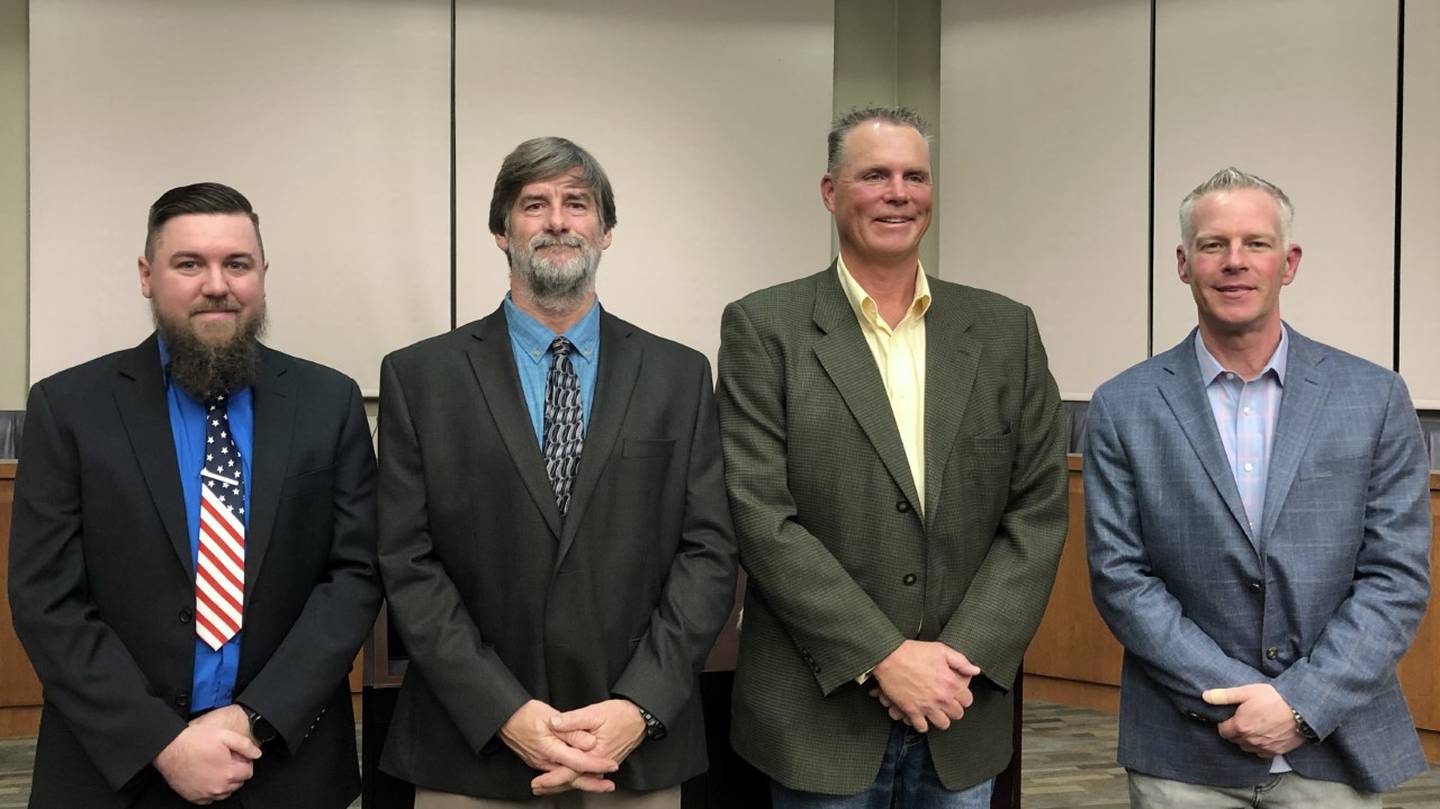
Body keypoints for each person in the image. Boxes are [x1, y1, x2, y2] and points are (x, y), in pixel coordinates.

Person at [717, 106, 1068, 807]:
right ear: (829, 192)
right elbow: (761, 516)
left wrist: (955, 661)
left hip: (959, 709)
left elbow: (1037, 510)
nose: (898, 193)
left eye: (915, 176)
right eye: (874, 175)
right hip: (819, 719)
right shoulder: (764, 328)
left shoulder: (1006, 330)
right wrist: (883, 656)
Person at [376, 136, 738, 808]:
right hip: (472, 749)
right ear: (500, 231)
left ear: (606, 230)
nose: (557, 221)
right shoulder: (420, 377)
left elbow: (709, 552)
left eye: (578, 203)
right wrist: (504, 711)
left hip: (633, 750)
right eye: (533, 204)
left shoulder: (679, 376)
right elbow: (407, 560)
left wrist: (640, 705)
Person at [8, 182, 381, 807]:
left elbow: (356, 577)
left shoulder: (329, 402)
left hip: (286, 765)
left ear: (262, 274)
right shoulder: (68, 407)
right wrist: (162, 742)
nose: (217, 284)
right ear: (147, 275)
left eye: (237, 264)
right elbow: (46, 599)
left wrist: (252, 718)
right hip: (115, 770)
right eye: (190, 264)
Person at [1085, 167, 1432, 808]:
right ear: (1184, 264)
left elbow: (1395, 577)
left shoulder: (1374, 398)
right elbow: (1122, 579)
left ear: (1289, 262)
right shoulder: (1121, 406)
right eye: (1214, 245)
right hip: (1183, 750)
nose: (1235, 263)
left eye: (1257, 244)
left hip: (1333, 743)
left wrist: (1299, 702)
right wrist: (1241, 698)